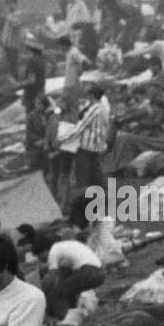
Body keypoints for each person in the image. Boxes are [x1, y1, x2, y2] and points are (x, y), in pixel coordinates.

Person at [58, 84, 112, 225]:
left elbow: (80, 127)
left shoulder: (95, 109)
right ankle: (103, 204)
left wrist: (63, 139)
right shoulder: (104, 108)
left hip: (86, 148)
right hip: (96, 148)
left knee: (84, 179)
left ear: (92, 96)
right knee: (97, 177)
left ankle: (89, 210)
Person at [32, 234, 106, 321]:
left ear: (44, 250)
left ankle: (67, 322)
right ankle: (75, 315)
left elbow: (51, 279)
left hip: (89, 271)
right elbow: (63, 277)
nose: (39, 259)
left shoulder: (53, 250)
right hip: (99, 273)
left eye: (38, 255)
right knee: (66, 291)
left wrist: (39, 293)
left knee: (56, 295)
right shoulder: (64, 248)